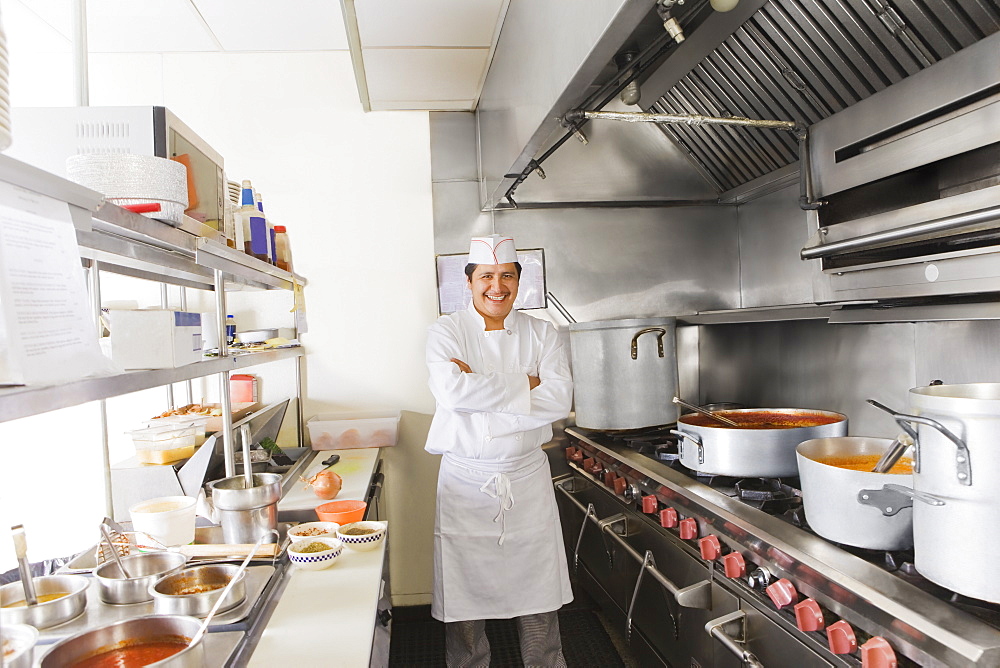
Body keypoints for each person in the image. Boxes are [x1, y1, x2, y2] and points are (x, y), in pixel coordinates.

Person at [425, 234, 575, 668]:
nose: (497, 286)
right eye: (486, 276)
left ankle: (544, 663)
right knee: (465, 591)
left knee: (538, 588)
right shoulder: (445, 331)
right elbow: (452, 394)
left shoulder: (542, 332)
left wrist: (480, 393)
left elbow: (558, 400)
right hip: (466, 480)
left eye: (507, 276)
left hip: (526, 476)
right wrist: (525, 384)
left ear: (518, 282)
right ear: (469, 282)